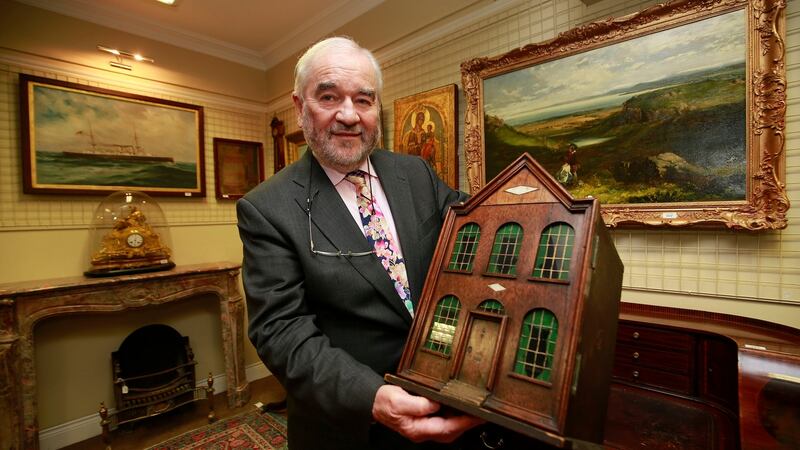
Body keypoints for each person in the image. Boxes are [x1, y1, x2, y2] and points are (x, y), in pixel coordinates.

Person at [236, 36, 479, 450]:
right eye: (329, 97)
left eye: (364, 100)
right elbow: (282, 331)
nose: (349, 115)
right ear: (300, 107)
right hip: (351, 427)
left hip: (446, 397)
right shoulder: (267, 208)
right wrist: (371, 397)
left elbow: (473, 227)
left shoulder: (415, 172)